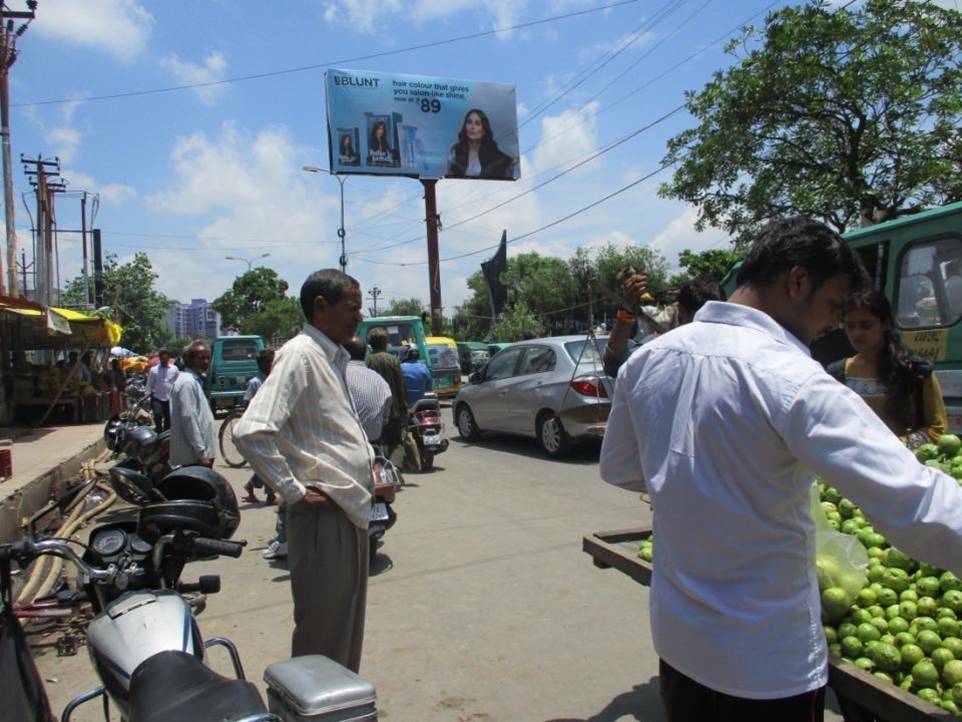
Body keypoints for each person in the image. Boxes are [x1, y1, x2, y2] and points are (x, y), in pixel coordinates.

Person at [599, 216, 962, 721]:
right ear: (797, 281)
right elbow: (918, 502)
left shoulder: (648, 360)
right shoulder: (792, 378)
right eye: (833, 305)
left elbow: (620, 468)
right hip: (767, 666)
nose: (831, 325)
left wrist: (698, 483)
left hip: (680, 645)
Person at [233, 269, 374, 672]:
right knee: (322, 637)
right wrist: (293, 490)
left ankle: (337, 709)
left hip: (346, 511)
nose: (359, 316)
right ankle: (314, 711)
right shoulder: (300, 354)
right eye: (352, 307)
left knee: (343, 631)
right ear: (320, 306)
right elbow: (251, 430)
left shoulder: (328, 357)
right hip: (323, 516)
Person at [828, 290, 947, 449]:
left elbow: (937, 429)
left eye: (866, 325)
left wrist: (896, 447)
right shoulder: (838, 373)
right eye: (850, 326)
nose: (856, 333)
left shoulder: (915, 372)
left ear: (885, 324)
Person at [602, 273, 722, 378]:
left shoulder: (657, 352)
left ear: (680, 310)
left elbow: (614, 363)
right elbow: (614, 363)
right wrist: (627, 309)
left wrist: (627, 308)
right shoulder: (737, 354)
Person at [169, 341, 215, 468]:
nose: (206, 362)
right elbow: (189, 418)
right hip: (194, 457)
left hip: (199, 455)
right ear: (189, 359)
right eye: (201, 358)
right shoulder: (187, 383)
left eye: (208, 358)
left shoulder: (195, 381)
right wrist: (201, 453)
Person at [242, 349, 277, 504]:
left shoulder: (275, 379)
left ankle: (251, 486)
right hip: (259, 427)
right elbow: (247, 403)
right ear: (262, 364)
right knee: (270, 461)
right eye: (270, 362)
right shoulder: (255, 382)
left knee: (270, 461)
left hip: (273, 425)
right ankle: (270, 495)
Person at [343, 336, 392, 444]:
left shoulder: (337, 375)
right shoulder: (380, 380)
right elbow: (385, 419)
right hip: (375, 443)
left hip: (346, 444)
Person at [365, 328, 407, 454]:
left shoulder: (367, 361)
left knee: (375, 445)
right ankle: (395, 470)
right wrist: (404, 408)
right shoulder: (393, 360)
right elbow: (401, 386)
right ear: (385, 342)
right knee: (396, 445)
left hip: (374, 412)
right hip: (394, 411)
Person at [445, 109, 515, 180]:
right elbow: (448, 175)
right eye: (469, 122)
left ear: (484, 131)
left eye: (477, 124)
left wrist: (512, 162)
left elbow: (506, 163)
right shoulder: (455, 151)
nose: (472, 127)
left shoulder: (494, 155)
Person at [146, 349, 179, 432]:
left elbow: (178, 382)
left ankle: (166, 435)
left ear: (168, 359)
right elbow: (149, 384)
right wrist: (148, 395)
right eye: (162, 359)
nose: (164, 361)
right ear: (159, 359)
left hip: (170, 397)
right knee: (157, 415)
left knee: (169, 417)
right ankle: (158, 431)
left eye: (165, 359)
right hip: (157, 397)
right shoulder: (154, 370)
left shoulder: (174, 369)